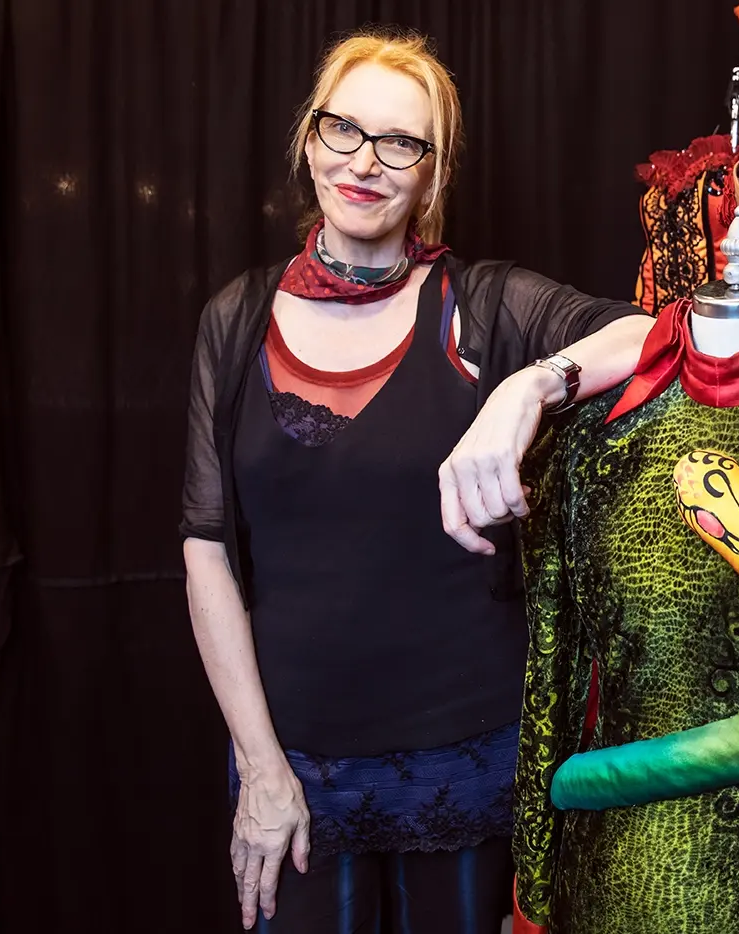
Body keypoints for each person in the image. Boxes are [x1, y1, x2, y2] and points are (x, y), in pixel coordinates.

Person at [179, 29, 652, 933]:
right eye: (344, 130)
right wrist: (262, 770)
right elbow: (208, 552)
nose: (364, 162)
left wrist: (528, 387)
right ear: (309, 141)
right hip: (294, 768)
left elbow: (657, 334)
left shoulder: (485, 305)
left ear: (432, 176)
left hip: (465, 760)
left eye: (401, 143)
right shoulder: (235, 322)